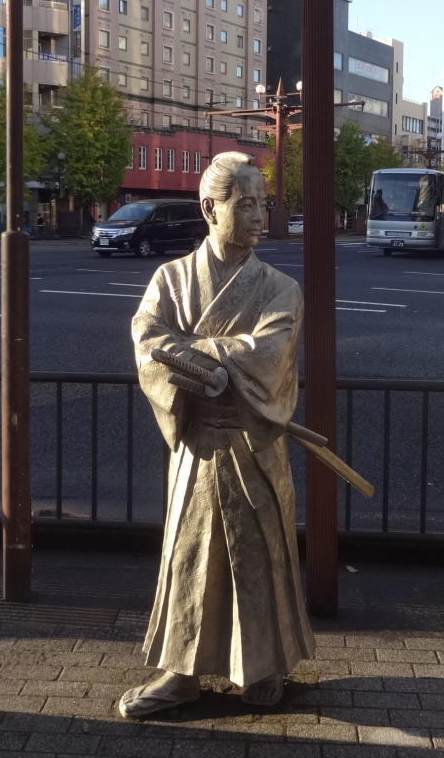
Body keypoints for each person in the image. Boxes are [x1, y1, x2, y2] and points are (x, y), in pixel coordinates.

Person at [119, 151, 312, 718]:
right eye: (245, 204)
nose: (259, 217)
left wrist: (196, 354)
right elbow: (148, 339)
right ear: (211, 209)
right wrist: (204, 365)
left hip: (253, 445)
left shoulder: (279, 288)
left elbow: (270, 352)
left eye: (263, 205)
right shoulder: (171, 278)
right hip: (199, 445)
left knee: (259, 555)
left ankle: (265, 666)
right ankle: (180, 673)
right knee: (189, 556)